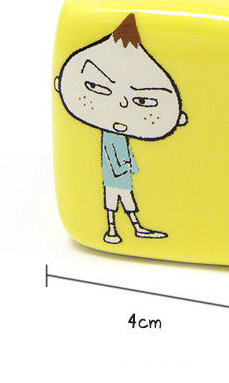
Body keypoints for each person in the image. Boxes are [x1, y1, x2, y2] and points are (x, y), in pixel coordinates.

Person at [54, 13, 188, 244]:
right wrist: (123, 167)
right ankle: (115, 230)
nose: (123, 105)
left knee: (123, 201)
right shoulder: (111, 133)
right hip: (116, 176)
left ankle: (125, 229)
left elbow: (121, 153)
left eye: (143, 101)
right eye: (97, 87)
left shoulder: (118, 134)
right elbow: (111, 154)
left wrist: (129, 166)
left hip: (121, 175)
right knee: (115, 202)